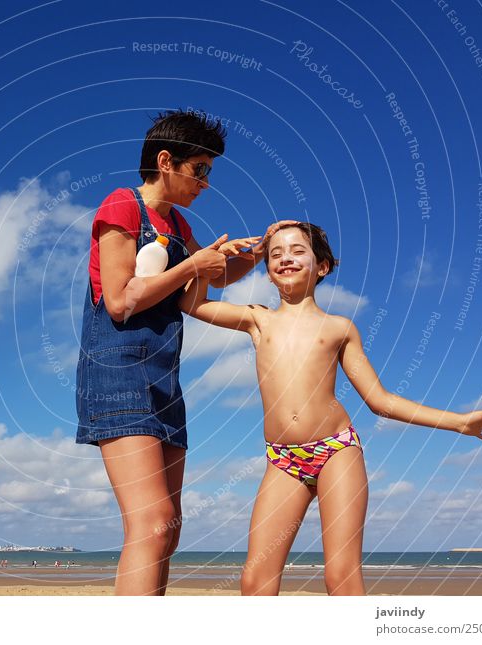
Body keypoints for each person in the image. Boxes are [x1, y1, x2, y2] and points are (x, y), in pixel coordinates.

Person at [179, 222, 482, 595]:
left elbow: (380, 401)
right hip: (283, 458)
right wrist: (212, 263)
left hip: (336, 450)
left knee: (341, 576)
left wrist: (459, 422)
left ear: (321, 267)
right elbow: (191, 303)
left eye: (298, 250)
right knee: (255, 581)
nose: (286, 257)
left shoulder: (339, 327)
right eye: (275, 254)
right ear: (267, 273)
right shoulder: (258, 319)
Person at [75, 109, 293, 596]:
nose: (206, 184)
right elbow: (120, 299)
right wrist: (192, 262)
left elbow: (208, 283)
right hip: (118, 374)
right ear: (167, 161)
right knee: (151, 522)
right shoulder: (122, 205)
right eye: (201, 171)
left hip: (163, 380)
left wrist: (259, 251)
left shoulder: (174, 223)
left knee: (169, 527)